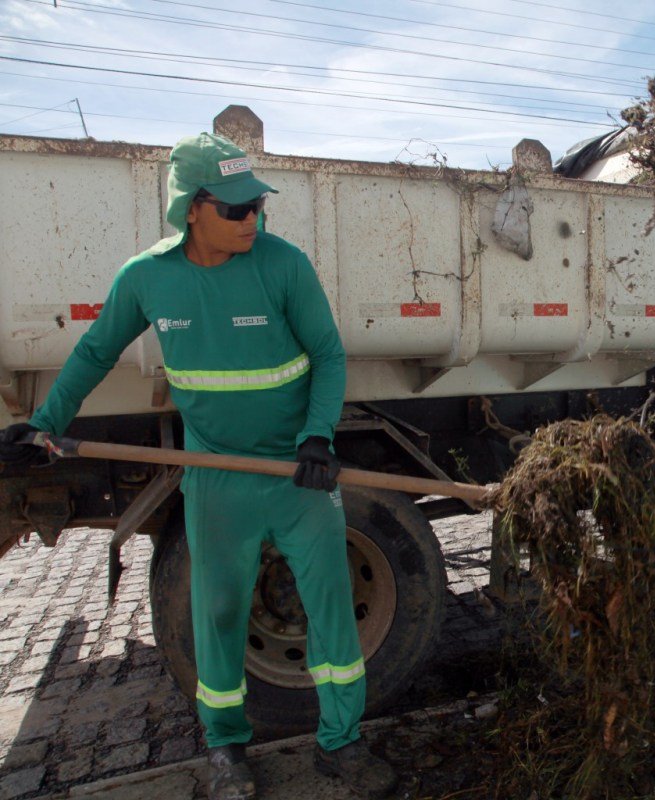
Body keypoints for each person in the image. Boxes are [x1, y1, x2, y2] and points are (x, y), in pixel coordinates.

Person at [0, 133, 397, 800]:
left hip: (297, 474)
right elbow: (97, 352)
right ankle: (225, 749)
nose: (253, 220)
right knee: (216, 616)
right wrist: (45, 424)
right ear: (192, 208)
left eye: (257, 208)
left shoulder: (284, 265)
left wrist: (318, 438)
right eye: (237, 210)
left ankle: (342, 743)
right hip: (215, 479)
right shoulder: (148, 278)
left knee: (331, 610)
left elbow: (328, 356)